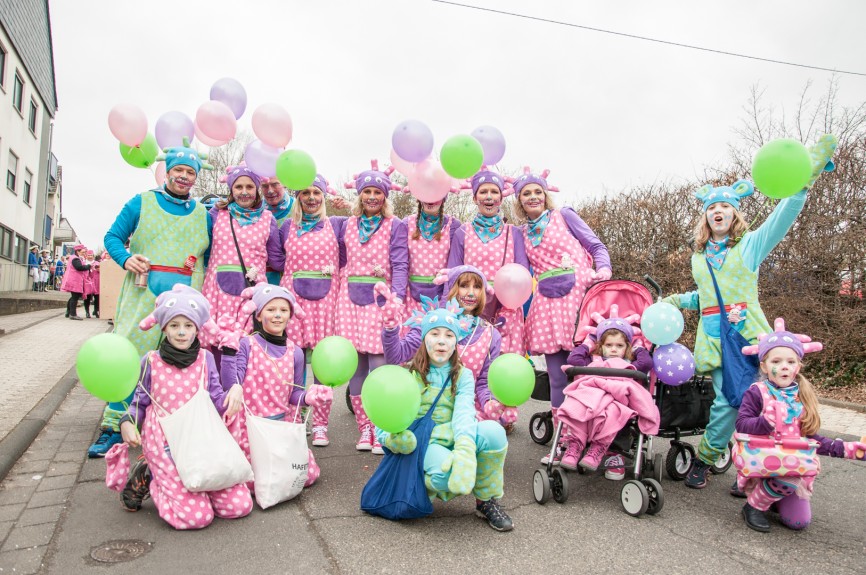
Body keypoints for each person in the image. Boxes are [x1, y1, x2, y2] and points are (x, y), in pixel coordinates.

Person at [662, 133, 837, 490]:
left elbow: (780, 219)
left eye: (724, 206)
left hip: (750, 338)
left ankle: (765, 469)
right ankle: (713, 459)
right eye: (712, 207)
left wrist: (800, 187)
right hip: (714, 339)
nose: (717, 211)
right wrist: (677, 301)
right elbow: (706, 297)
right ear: (705, 217)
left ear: (734, 213)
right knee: (728, 403)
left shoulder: (750, 246)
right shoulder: (699, 258)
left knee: (765, 404)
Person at [89, 143, 215, 458]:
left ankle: (171, 426)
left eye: (190, 172)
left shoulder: (203, 213)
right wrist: (126, 259)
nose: (184, 177)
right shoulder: (141, 202)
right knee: (130, 357)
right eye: (178, 171)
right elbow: (112, 237)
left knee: (178, 362)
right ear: (167, 171)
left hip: (185, 302)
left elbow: (211, 257)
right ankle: (113, 426)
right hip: (142, 294)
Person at [116, 284, 252, 529]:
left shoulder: (206, 358)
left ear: (197, 329)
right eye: (175, 325)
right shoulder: (150, 361)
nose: (181, 332)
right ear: (164, 327)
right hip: (166, 443)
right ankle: (151, 476)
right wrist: (126, 422)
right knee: (196, 517)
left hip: (201, 440)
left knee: (239, 506)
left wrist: (234, 393)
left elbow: (217, 400)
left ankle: (200, 491)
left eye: (188, 326)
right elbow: (139, 402)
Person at [375, 296, 513, 531]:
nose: (441, 342)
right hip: (427, 442)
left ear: (456, 342)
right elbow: (386, 420)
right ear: (424, 338)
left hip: (453, 435)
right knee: (446, 473)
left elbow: (463, 413)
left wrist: (465, 451)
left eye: (448, 335)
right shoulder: (411, 375)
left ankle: (486, 501)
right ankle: (423, 487)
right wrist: (393, 439)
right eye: (434, 334)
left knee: (494, 432)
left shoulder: (463, 374)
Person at [512, 167, 611, 465]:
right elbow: (518, 269)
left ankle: (595, 437)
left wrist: (603, 267)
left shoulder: (565, 215)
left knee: (584, 373)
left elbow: (595, 245)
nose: (533, 197)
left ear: (546, 195)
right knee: (557, 377)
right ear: (519, 200)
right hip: (546, 305)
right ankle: (564, 440)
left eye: (537, 192)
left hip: (579, 300)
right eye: (526, 193)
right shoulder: (521, 232)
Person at [735, 318, 866, 532]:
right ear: (764, 366)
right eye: (776, 362)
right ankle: (753, 506)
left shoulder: (801, 395)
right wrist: (764, 423)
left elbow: (812, 439)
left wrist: (850, 449)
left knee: (798, 523)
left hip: (791, 465)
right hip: (762, 461)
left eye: (790, 362)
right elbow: (741, 424)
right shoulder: (758, 391)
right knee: (790, 479)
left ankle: (774, 495)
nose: (783, 366)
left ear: (798, 366)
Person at [220, 283, 332, 491]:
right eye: (270, 310)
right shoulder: (247, 344)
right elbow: (230, 385)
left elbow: (294, 394)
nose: (277, 315)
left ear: (290, 315)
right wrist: (228, 352)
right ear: (259, 315)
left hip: (281, 426)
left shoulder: (296, 352)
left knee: (307, 475)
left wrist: (310, 398)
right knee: (255, 482)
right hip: (251, 429)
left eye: (283, 310)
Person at [380, 265, 517, 430]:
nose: (471, 293)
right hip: (430, 407)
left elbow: (484, 382)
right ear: (452, 287)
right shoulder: (433, 322)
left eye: (477, 286)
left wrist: (491, 404)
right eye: (464, 285)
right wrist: (390, 327)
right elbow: (396, 356)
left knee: (493, 435)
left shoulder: (490, 334)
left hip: (468, 411)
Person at [335, 160, 408, 453]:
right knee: (357, 367)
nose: (372, 197)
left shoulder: (395, 225)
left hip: (380, 300)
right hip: (349, 299)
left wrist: (398, 297)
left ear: (386, 196)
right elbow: (340, 257)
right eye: (367, 192)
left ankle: (380, 427)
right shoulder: (347, 224)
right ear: (360, 195)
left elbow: (401, 263)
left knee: (379, 364)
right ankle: (364, 428)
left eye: (378, 192)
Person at [275, 174, 341, 447]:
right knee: (294, 364)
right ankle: (297, 417)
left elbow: (347, 257)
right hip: (294, 303)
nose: (311, 198)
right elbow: (276, 259)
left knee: (323, 366)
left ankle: (321, 424)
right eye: (305, 193)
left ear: (323, 196)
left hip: (326, 304)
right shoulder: (286, 227)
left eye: (316, 193)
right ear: (298, 197)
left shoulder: (336, 225)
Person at [201, 165, 282, 366]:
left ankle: (247, 394)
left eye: (249, 187)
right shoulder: (216, 215)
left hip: (252, 295)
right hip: (217, 292)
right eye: (238, 187)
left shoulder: (267, 219)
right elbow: (203, 249)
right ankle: (218, 394)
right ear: (231, 189)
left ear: (257, 190)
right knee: (217, 344)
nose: (244, 192)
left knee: (249, 346)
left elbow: (276, 259)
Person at [561, 308, 653, 476]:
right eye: (608, 345)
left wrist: (638, 347)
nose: (613, 349)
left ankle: (598, 448)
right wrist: (589, 343)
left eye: (619, 346)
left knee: (612, 411)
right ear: (600, 346)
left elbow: (646, 364)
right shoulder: (595, 359)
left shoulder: (629, 362)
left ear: (627, 348)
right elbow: (573, 360)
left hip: (616, 398)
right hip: (591, 394)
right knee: (578, 405)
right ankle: (575, 446)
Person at [448, 167, 528, 355]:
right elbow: (453, 274)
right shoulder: (463, 233)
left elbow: (523, 274)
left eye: (494, 192)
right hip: (470, 310)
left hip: (507, 311)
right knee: (472, 361)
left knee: (505, 365)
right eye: (483, 192)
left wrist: (511, 304)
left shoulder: (513, 233)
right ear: (475, 198)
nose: (489, 197)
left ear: (501, 198)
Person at [403, 195, 461, 321]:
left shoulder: (454, 225)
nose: (431, 199)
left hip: (441, 298)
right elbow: (400, 263)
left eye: (436, 195)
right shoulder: (406, 224)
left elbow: (454, 267)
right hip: (410, 299)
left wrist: (446, 300)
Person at [261, 177, 295, 285]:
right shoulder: (253, 210)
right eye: (265, 186)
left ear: (285, 184)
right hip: (261, 279)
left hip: (292, 278)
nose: (270, 190)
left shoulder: (298, 207)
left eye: (275, 184)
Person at [61, 244, 91, 321]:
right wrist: (88, 266)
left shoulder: (75, 258)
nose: (84, 254)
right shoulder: (75, 259)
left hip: (74, 280)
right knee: (75, 297)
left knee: (73, 297)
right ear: (77, 251)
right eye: (83, 252)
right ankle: (73, 314)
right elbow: (79, 267)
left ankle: (68, 312)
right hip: (75, 280)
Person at [82, 250, 100, 318]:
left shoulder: (97, 263)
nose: (90, 257)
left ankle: (96, 311)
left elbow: (101, 271)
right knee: (87, 297)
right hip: (87, 281)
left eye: (91, 255)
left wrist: (98, 269)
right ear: (86, 256)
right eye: (88, 255)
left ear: (93, 256)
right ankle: (87, 312)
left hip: (96, 281)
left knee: (97, 297)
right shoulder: (83, 263)